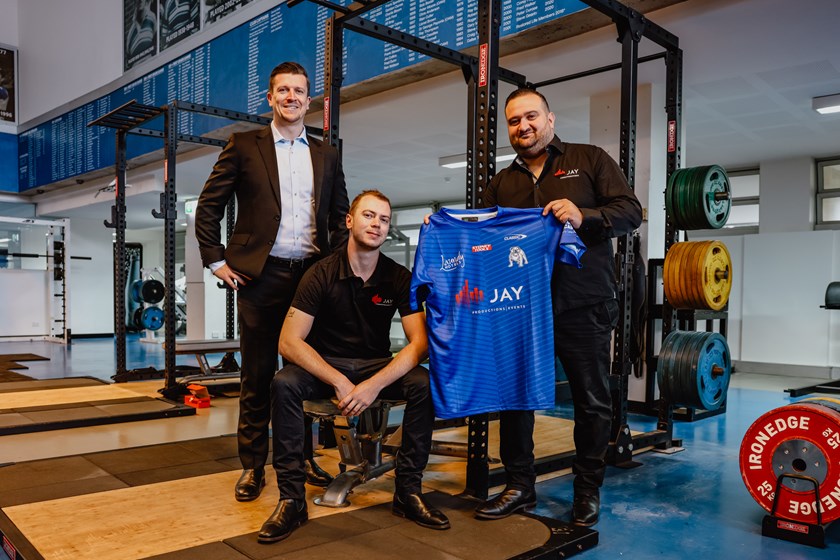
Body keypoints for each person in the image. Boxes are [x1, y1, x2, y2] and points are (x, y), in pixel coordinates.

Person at [475, 88, 642, 527]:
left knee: (591, 400)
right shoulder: (501, 182)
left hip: (582, 304)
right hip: (519, 309)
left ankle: (586, 490)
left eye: (531, 117)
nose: (523, 127)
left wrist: (582, 214)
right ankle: (519, 487)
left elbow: (630, 211)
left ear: (550, 118)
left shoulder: (589, 160)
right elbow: (483, 241)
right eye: (513, 121)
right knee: (516, 401)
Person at [257, 190, 450, 544]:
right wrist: (339, 381)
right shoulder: (321, 274)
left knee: (424, 383)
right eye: (369, 216)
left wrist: (373, 385)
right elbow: (289, 341)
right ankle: (291, 500)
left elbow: (420, 344)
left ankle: (408, 493)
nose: (376, 224)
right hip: (327, 365)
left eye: (384, 219)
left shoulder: (397, 277)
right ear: (349, 221)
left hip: (375, 365)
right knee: (284, 383)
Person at [195, 61, 349, 502]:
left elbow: (339, 217)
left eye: (299, 91)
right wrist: (215, 262)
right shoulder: (245, 145)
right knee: (259, 376)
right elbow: (210, 206)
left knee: (301, 378)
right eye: (283, 90)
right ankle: (252, 466)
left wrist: (334, 266)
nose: (291, 97)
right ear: (270, 97)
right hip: (261, 277)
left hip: (311, 281)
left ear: (308, 100)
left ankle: (299, 459)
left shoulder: (326, 153)